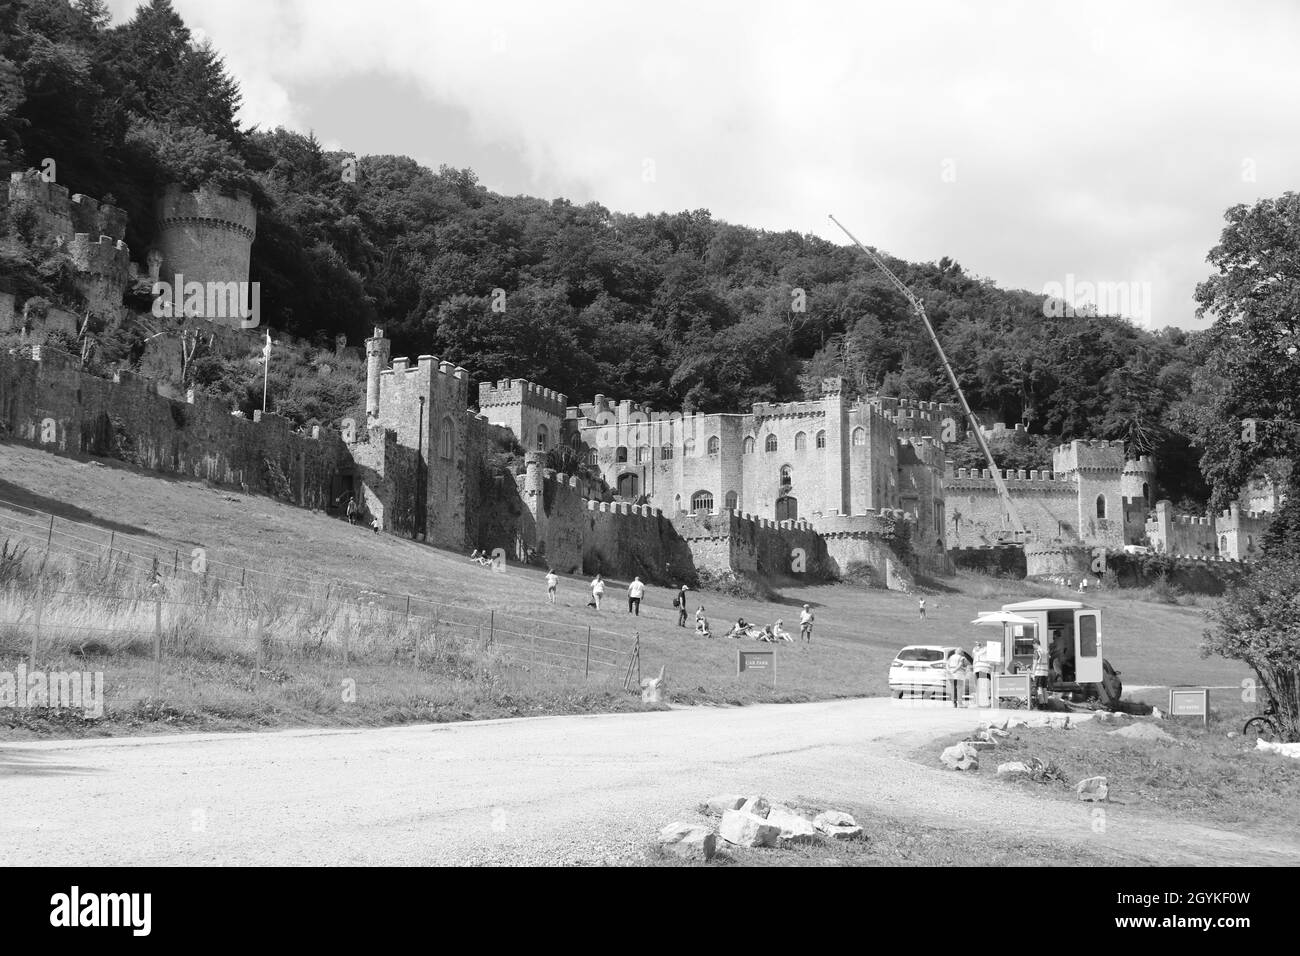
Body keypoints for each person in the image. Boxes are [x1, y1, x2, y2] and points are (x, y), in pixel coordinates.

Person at [1032, 641, 1050, 709]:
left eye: (1033, 645)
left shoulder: (1037, 652)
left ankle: (1041, 704)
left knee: (1039, 688)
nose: (1033, 647)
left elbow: (1035, 663)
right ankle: (1046, 703)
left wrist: (1033, 673)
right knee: (1044, 688)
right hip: (1045, 673)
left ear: (1036, 644)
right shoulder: (1045, 652)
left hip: (1038, 672)